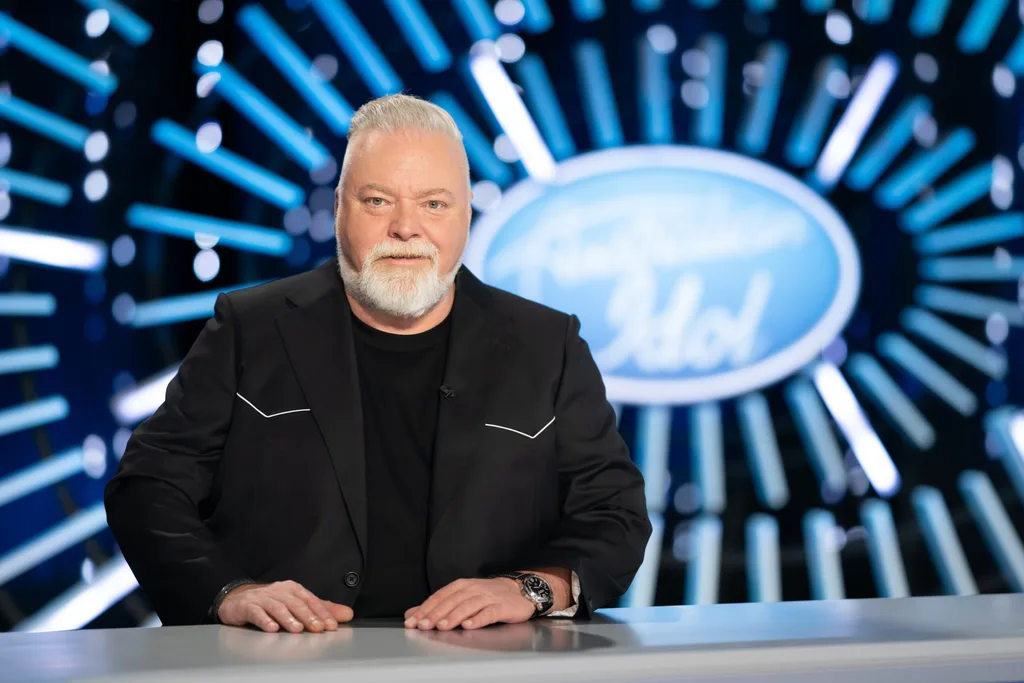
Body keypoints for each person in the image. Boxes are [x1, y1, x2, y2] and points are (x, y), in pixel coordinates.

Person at [105, 94, 651, 633]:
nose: (406, 228)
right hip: (286, 668)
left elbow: (615, 515)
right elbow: (148, 488)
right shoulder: (250, 328)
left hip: (487, 667)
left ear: (466, 215)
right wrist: (228, 592)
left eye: (433, 204)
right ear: (339, 207)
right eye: (378, 201)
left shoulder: (547, 344)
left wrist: (528, 589)